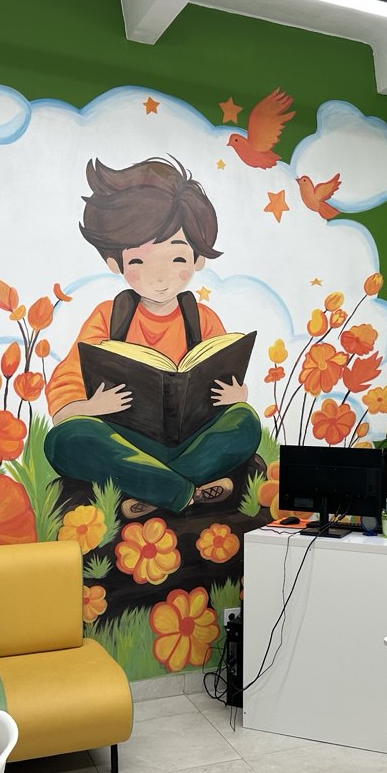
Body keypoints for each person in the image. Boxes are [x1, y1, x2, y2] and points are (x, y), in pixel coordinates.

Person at [45, 157, 262, 519]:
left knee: (245, 422)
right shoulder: (108, 316)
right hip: (125, 441)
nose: (159, 277)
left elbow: (226, 376)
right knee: (64, 441)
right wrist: (92, 407)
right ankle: (183, 489)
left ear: (197, 259)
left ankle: (152, 492)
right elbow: (63, 397)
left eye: (176, 258)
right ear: (116, 264)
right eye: (139, 262)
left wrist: (238, 396)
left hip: (193, 442)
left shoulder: (203, 319)